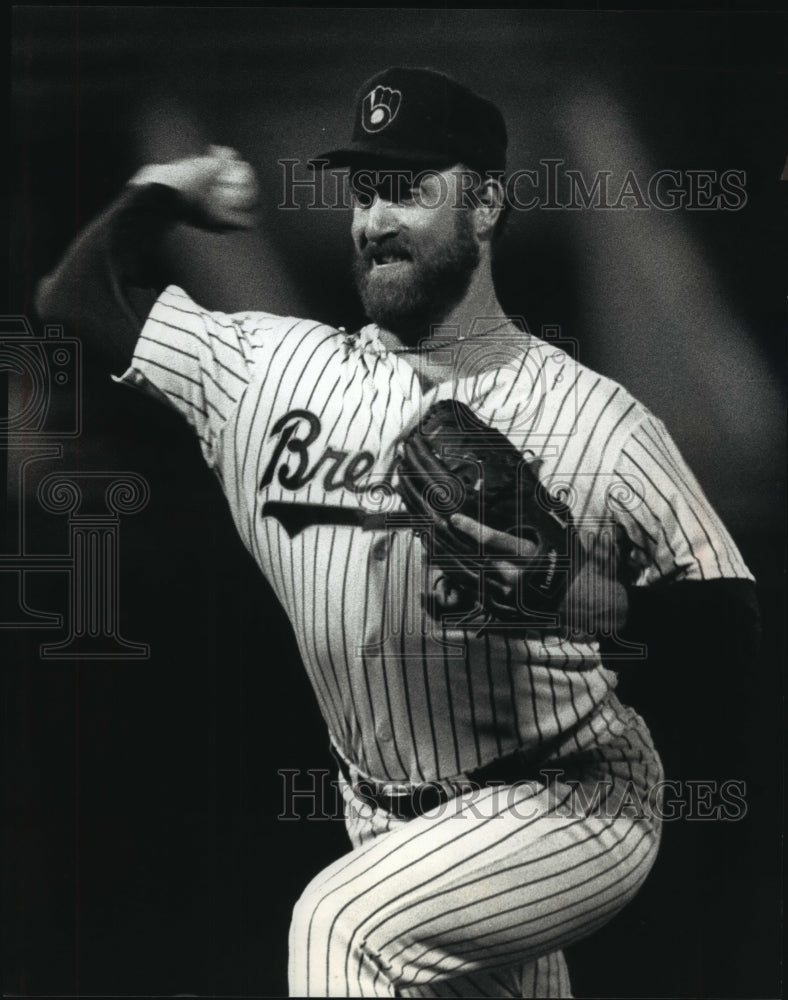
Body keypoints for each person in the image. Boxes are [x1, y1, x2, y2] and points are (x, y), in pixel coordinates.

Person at [36, 66, 758, 999]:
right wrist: (161, 191)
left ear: (488, 204)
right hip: (388, 823)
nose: (376, 218)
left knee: (343, 929)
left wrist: (580, 595)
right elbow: (77, 297)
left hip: (572, 801)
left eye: (410, 189)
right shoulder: (270, 371)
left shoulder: (599, 421)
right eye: (364, 190)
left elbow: (732, 643)